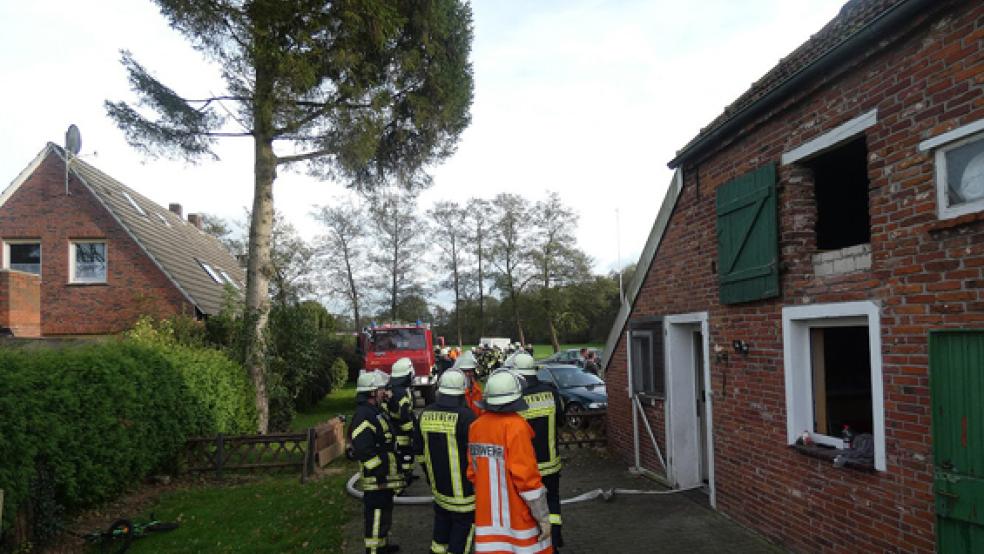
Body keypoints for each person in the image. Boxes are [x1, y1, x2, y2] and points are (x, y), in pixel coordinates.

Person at [467, 369, 553, 554]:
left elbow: (473, 473)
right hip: (519, 518)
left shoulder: (475, 427)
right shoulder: (517, 427)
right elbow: (527, 479)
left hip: (487, 518)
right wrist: (543, 517)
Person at [414, 369, 477, 554]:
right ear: (462, 391)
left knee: (441, 527)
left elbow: (419, 451)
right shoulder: (467, 417)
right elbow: (476, 457)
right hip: (464, 494)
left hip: (439, 489)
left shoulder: (424, 414)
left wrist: (429, 475)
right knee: (462, 532)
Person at [513, 353, 566, 552]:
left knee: (529, 506)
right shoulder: (551, 392)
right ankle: (555, 542)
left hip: (527, 467)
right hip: (551, 464)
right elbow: (561, 420)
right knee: (552, 503)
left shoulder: (516, 397)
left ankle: (535, 545)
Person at [351, 370, 405, 553]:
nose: (385, 392)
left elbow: (398, 416)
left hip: (383, 478)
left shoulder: (376, 411)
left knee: (384, 514)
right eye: (381, 389)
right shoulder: (363, 415)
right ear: (372, 392)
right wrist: (379, 473)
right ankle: (374, 550)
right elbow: (364, 450)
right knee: (376, 516)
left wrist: (391, 400)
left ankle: (382, 546)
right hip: (376, 480)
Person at [386, 357, 417, 484]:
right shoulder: (401, 392)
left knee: (404, 453)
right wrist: (412, 431)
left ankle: (407, 473)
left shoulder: (395, 388)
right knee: (405, 453)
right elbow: (403, 415)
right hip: (400, 431)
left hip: (395, 428)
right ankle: (404, 477)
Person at [453, 351, 484, 417]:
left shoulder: (476, 388)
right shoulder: (453, 390)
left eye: (470, 370)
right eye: (464, 371)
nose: (467, 374)